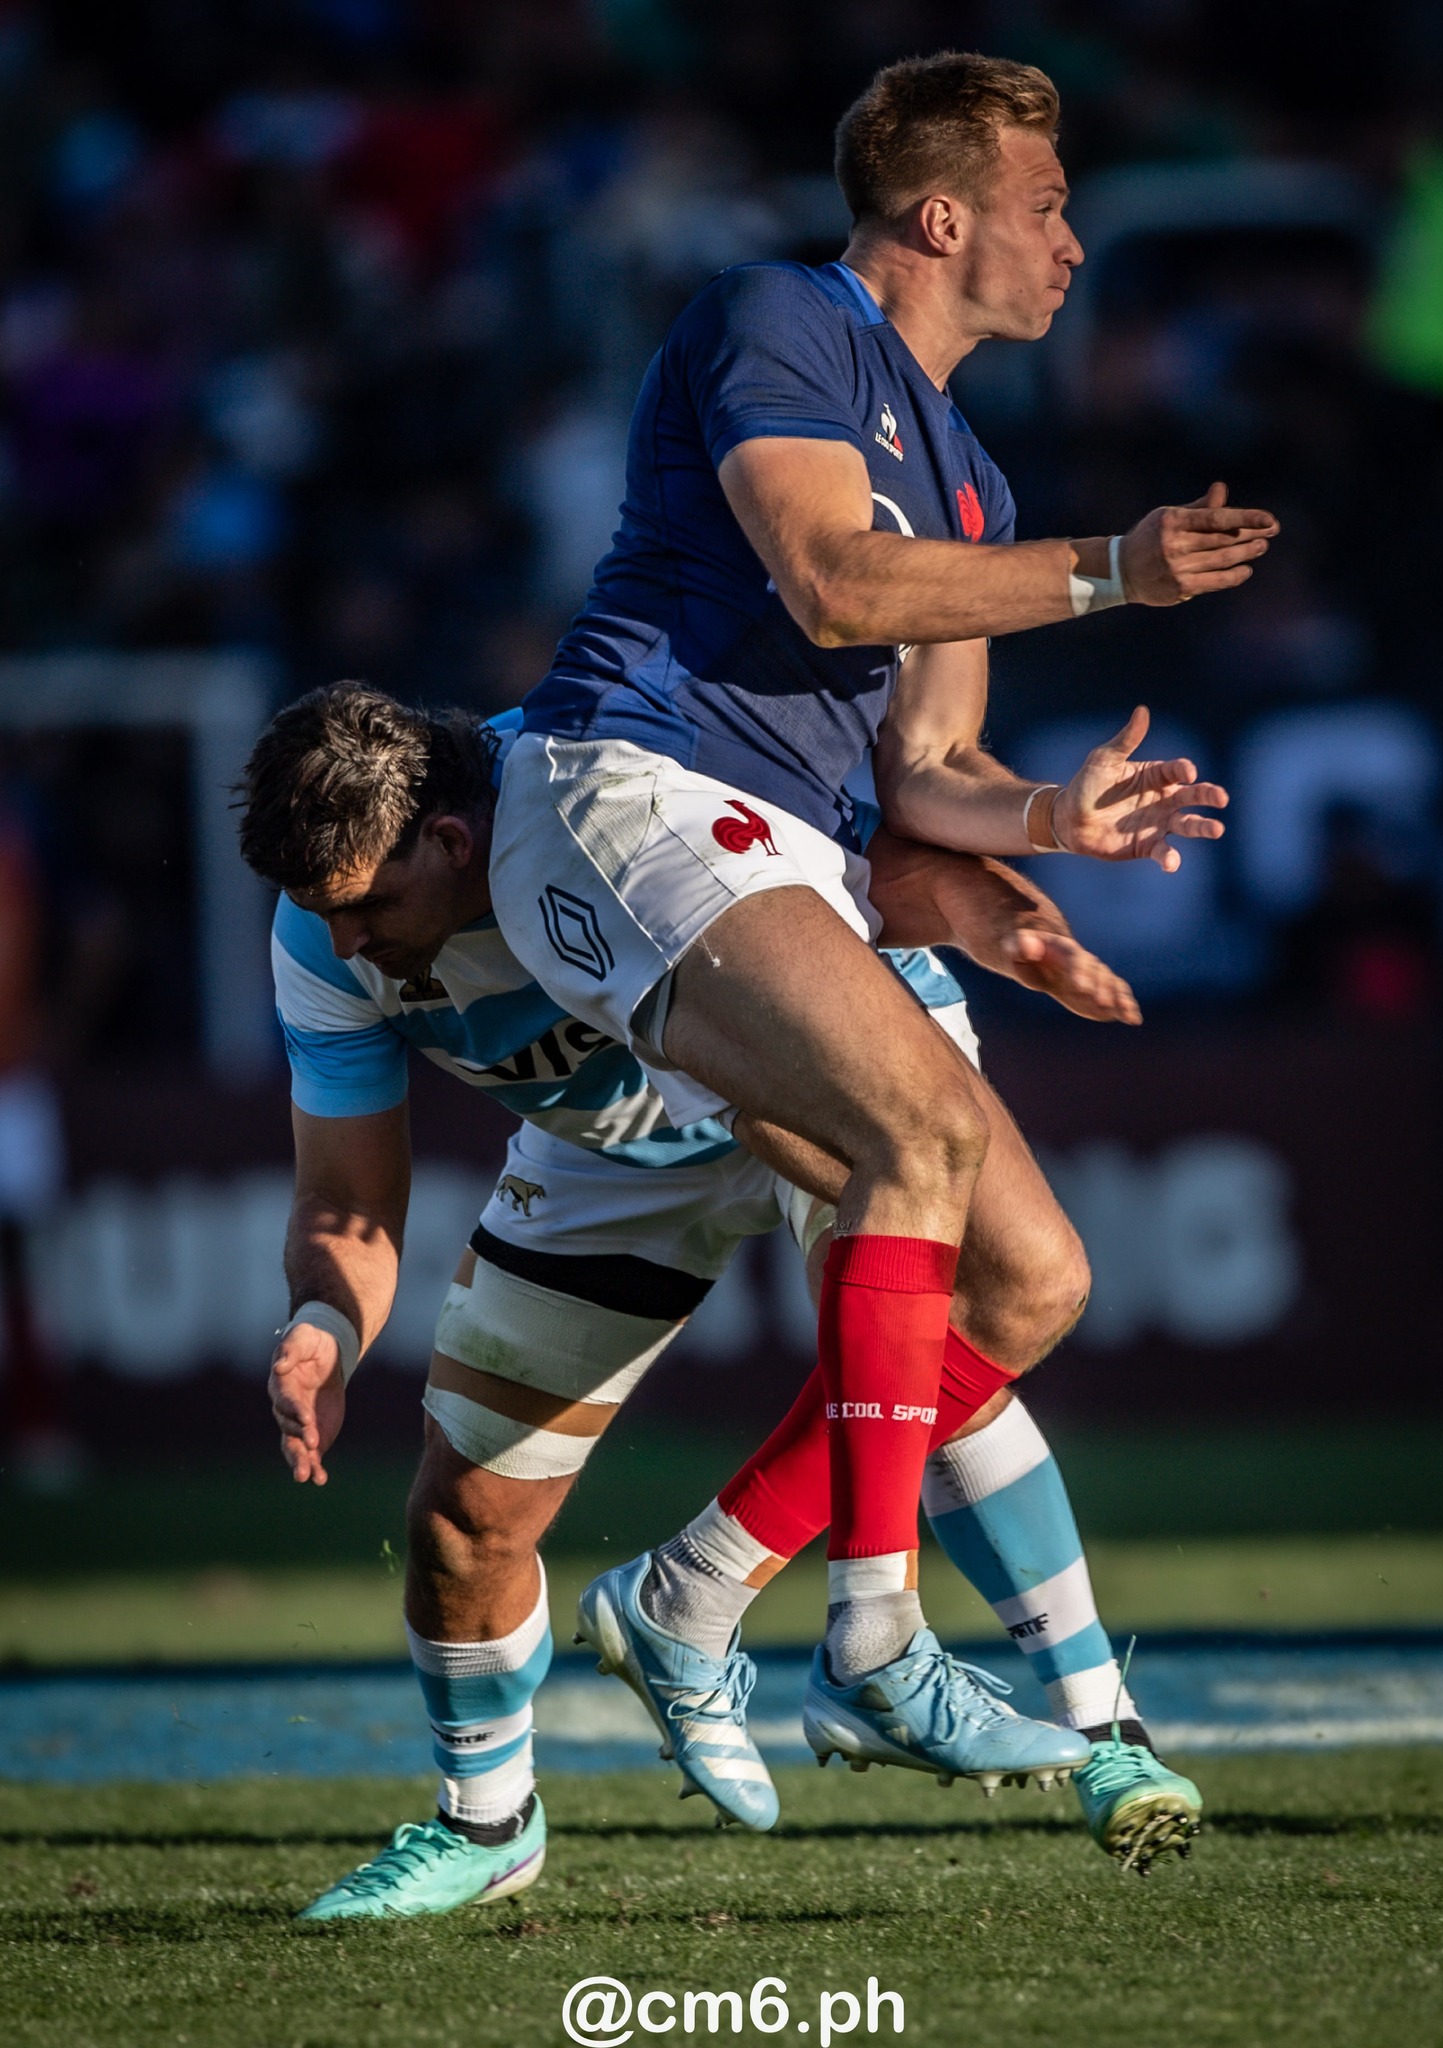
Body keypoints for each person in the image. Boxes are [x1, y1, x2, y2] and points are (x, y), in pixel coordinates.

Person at [486, 49, 1273, 1784]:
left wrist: (1045, 821)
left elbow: (925, 758)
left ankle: (692, 1589)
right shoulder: (779, 316)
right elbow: (830, 577)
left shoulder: (974, 473)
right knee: (913, 1129)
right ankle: (876, 1634)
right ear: (939, 214)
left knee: (1030, 1278)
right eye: (1047, 205)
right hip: (633, 791)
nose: (1074, 244)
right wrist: (1112, 571)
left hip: (795, 853)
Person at [236, 685, 1183, 1923]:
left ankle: (1097, 1720)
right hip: (608, 1151)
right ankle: (487, 1819)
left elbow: (869, 838)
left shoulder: (605, 779)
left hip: (818, 1050)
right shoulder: (322, 941)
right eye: (325, 914)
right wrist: (325, 1321)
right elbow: (348, 1198)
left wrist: (1004, 913)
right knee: (464, 1518)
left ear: (454, 841)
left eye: (367, 907)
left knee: (932, 1343)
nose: (349, 942)